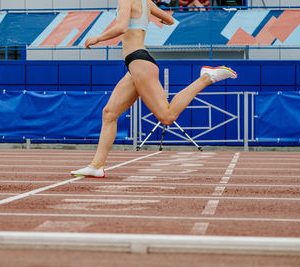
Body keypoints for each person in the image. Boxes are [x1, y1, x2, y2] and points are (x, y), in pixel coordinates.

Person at [71, 0, 236, 178]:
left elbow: (121, 27)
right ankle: (97, 166)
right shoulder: (146, 2)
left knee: (167, 116)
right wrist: (150, 20)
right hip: (136, 63)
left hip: (138, 62)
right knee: (109, 113)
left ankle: (206, 77)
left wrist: (97, 38)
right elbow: (170, 20)